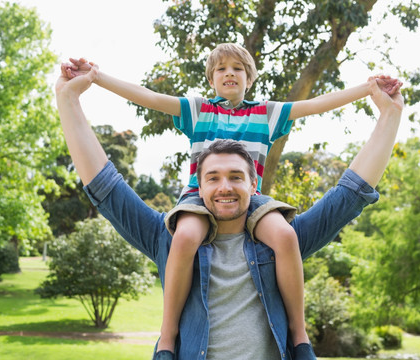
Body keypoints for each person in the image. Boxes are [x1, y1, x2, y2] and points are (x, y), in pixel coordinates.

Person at [62, 43, 401, 357]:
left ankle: (300, 335)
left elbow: (344, 176)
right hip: (192, 204)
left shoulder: (267, 118)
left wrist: (374, 95)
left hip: (260, 209)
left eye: (238, 68)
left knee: (285, 235)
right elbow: (139, 113)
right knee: (184, 237)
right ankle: (167, 336)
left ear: (253, 182)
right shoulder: (196, 116)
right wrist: (91, 80)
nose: (224, 186)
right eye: (213, 177)